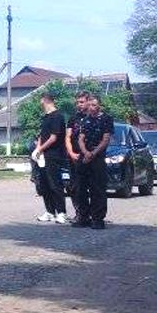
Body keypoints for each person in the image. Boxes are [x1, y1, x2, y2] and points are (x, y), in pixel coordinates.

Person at [75, 95, 114, 230]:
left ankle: (97, 219)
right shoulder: (84, 120)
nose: (91, 108)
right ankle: (83, 217)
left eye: (94, 105)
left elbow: (105, 139)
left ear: (99, 106)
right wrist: (85, 153)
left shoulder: (106, 119)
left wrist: (93, 153)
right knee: (80, 188)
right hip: (84, 157)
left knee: (97, 189)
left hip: (97, 158)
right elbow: (80, 139)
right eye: (89, 105)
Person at [33, 93, 69, 224]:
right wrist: (37, 149)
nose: (40, 103)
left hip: (54, 155)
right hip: (42, 156)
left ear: (44, 100)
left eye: (40, 100)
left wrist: (41, 149)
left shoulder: (57, 116)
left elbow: (53, 138)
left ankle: (61, 212)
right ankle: (49, 212)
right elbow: (42, 136)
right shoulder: (45, 117)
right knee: (44, 184)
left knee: (55, 184)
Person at [64, 90, 92, 225]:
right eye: (77, 102)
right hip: (75, 157)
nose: (78, 105)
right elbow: (68, 137)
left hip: (90, 157)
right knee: (75, 187)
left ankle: (93, 215)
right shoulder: (73, 118)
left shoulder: (93, 117)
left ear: (88, 101)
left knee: (92, 187)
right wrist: (71, 153)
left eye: (81, 102)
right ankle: (80, 214)